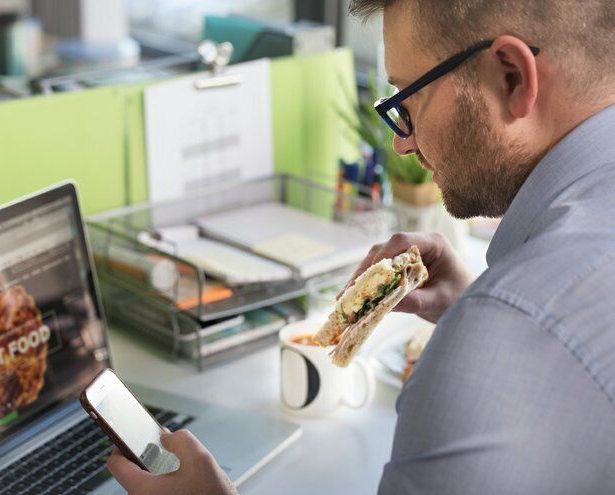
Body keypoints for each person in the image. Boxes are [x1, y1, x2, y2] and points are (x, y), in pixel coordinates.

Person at [107, 0, 615, 493]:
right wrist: (472, 307)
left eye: (408, 101)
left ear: (511, 77)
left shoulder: (503, 337)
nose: (403, 143)